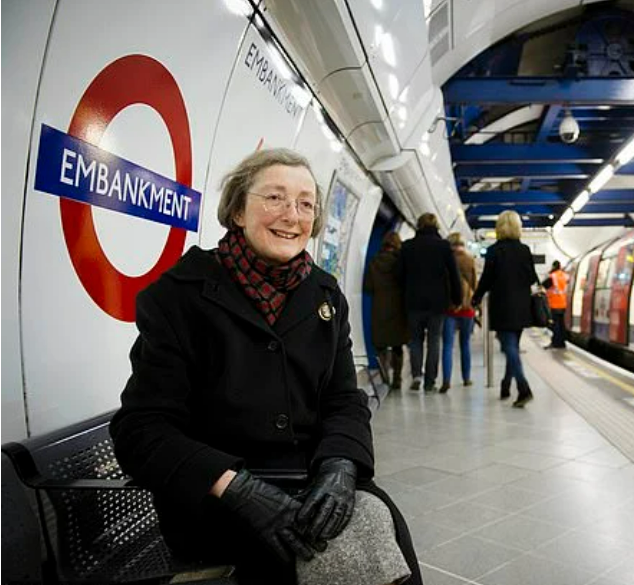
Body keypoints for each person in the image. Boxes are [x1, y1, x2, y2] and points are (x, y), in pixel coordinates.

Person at [110, 148, 420, 585]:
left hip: (310, 481)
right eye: (274, 198)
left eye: (306, 203)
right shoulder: (178, 297)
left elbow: (343, 400)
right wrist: (236, 487)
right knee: (353, 548)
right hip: (214, 502)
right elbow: (141, 429)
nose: (292, 215)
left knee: (373, 521)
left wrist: (341, 465)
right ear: (237, 210)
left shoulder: (324, 294)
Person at [471, 211, 539, 407]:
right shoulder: (524, 250)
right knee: (513, 348)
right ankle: (505, 384)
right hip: (521, 305)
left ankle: (523, 387)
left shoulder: (494, 251)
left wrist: (475, 298)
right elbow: (532, 278)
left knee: (509, 348)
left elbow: (486, 280)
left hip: (501, 305)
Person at [400, 213, 461, 393]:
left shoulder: (407, 246)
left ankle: (417, 375)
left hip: (413, 302)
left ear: (418, 225)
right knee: (434, 341)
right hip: (437, 303)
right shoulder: (443, 247)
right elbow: (454, 275)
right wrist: (456, 299)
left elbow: (399, 275)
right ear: (436, 226)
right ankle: (430, 381)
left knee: (415, 340)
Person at [364, 231, 408, 390]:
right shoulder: (400, 262)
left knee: (381, 346)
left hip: (379, 308)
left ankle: (385, 378)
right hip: (398, 308)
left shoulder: (374, 262)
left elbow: (368, 287)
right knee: (398, 346)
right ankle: (397, 379)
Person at [440, 232, 477, 393]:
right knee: (465, 344)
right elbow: (475, 283)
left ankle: (446, 380)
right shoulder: (469, 260)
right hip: (467, 308)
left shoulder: (444, 260)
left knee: (447, 345)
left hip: (449, 308)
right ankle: (466, 378)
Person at [541, 260, 568, 349]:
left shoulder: (553, 276)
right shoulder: (564, 276)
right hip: (563, 304)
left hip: (554, 304)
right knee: (561, 324)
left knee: (555, 325)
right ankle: (562, 342)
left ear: (553, 266)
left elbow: (543, 286)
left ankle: (556, 342)